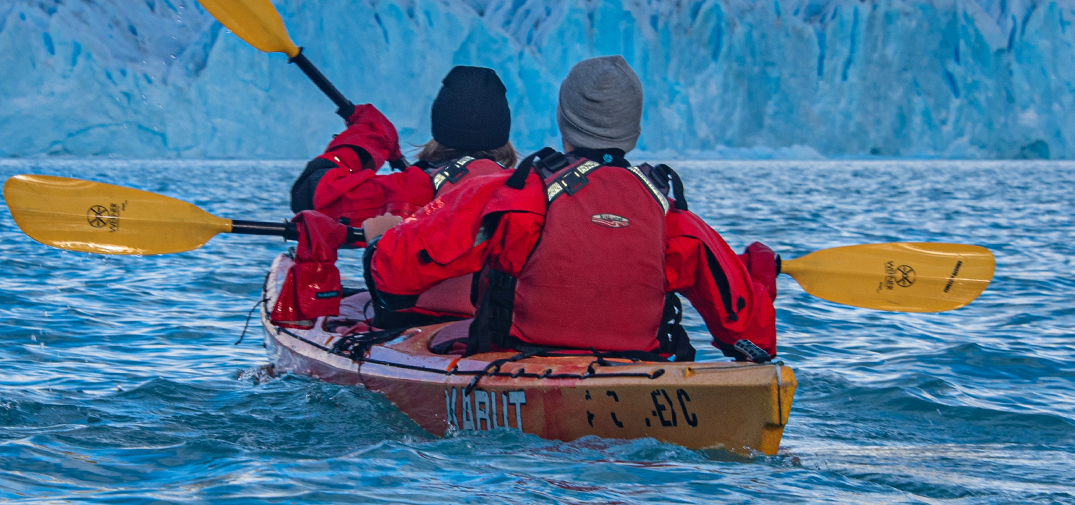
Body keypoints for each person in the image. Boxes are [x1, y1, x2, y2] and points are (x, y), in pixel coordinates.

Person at [362, 56, 779, 362]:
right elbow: (751, 337)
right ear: (634, 128)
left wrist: (379, 241)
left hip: (521, 364)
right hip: (638, 374)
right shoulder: (669, 215)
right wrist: (758, 275)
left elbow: (394, 276)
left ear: (562, 119)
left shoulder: (511, 197)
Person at [269, 66, 517, 328]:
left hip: (412, 322)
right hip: (495, 326)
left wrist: (368, 138)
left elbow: (310, 194)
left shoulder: (411, 187)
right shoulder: (524, 189)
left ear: (440, 126)